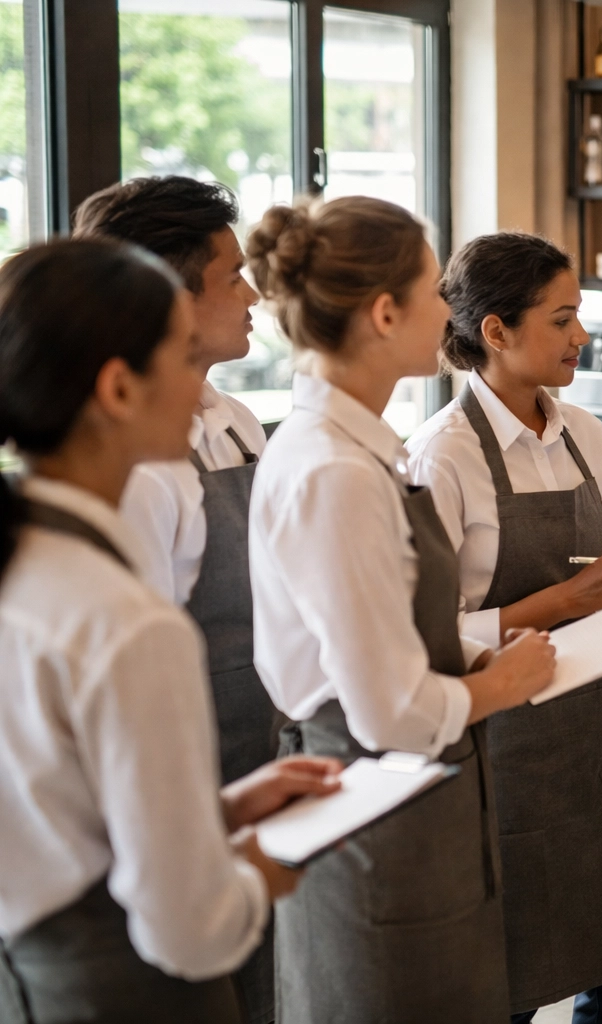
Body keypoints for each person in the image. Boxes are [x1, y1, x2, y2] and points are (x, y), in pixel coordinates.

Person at [0, 239, 340, 1022]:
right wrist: (261, 869)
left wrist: (215, 814)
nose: (201, 393)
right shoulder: (125, 620)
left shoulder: (30, 568)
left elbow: (54, 816)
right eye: (185, 360)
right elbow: (191, 931)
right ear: (119, 388)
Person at [245, 199, 557, 1024]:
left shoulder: (359, 450)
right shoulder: (332, 471)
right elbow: (388, 712)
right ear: (384, 314)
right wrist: (511, 680)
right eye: (430, 291)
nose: (446, 312)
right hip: (369, 806)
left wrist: (469, 653)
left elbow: (378, 635)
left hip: (414, 804)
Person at [407, 232, 602, 1024]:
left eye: (580, 316)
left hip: (593, 739)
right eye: (562, 319)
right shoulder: (441, 458)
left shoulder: (585, 434)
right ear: (496, 332)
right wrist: (565, 600)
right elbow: (430, 633)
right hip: (498, 749)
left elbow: (601, 578)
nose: (582, 337)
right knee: (506, 979)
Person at [73, 176, 282, 1024]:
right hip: (171, 804)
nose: (253, 294)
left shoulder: (235, 420)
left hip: (246, 761)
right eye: (233, 274)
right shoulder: (136, 477)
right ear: (165, 294)